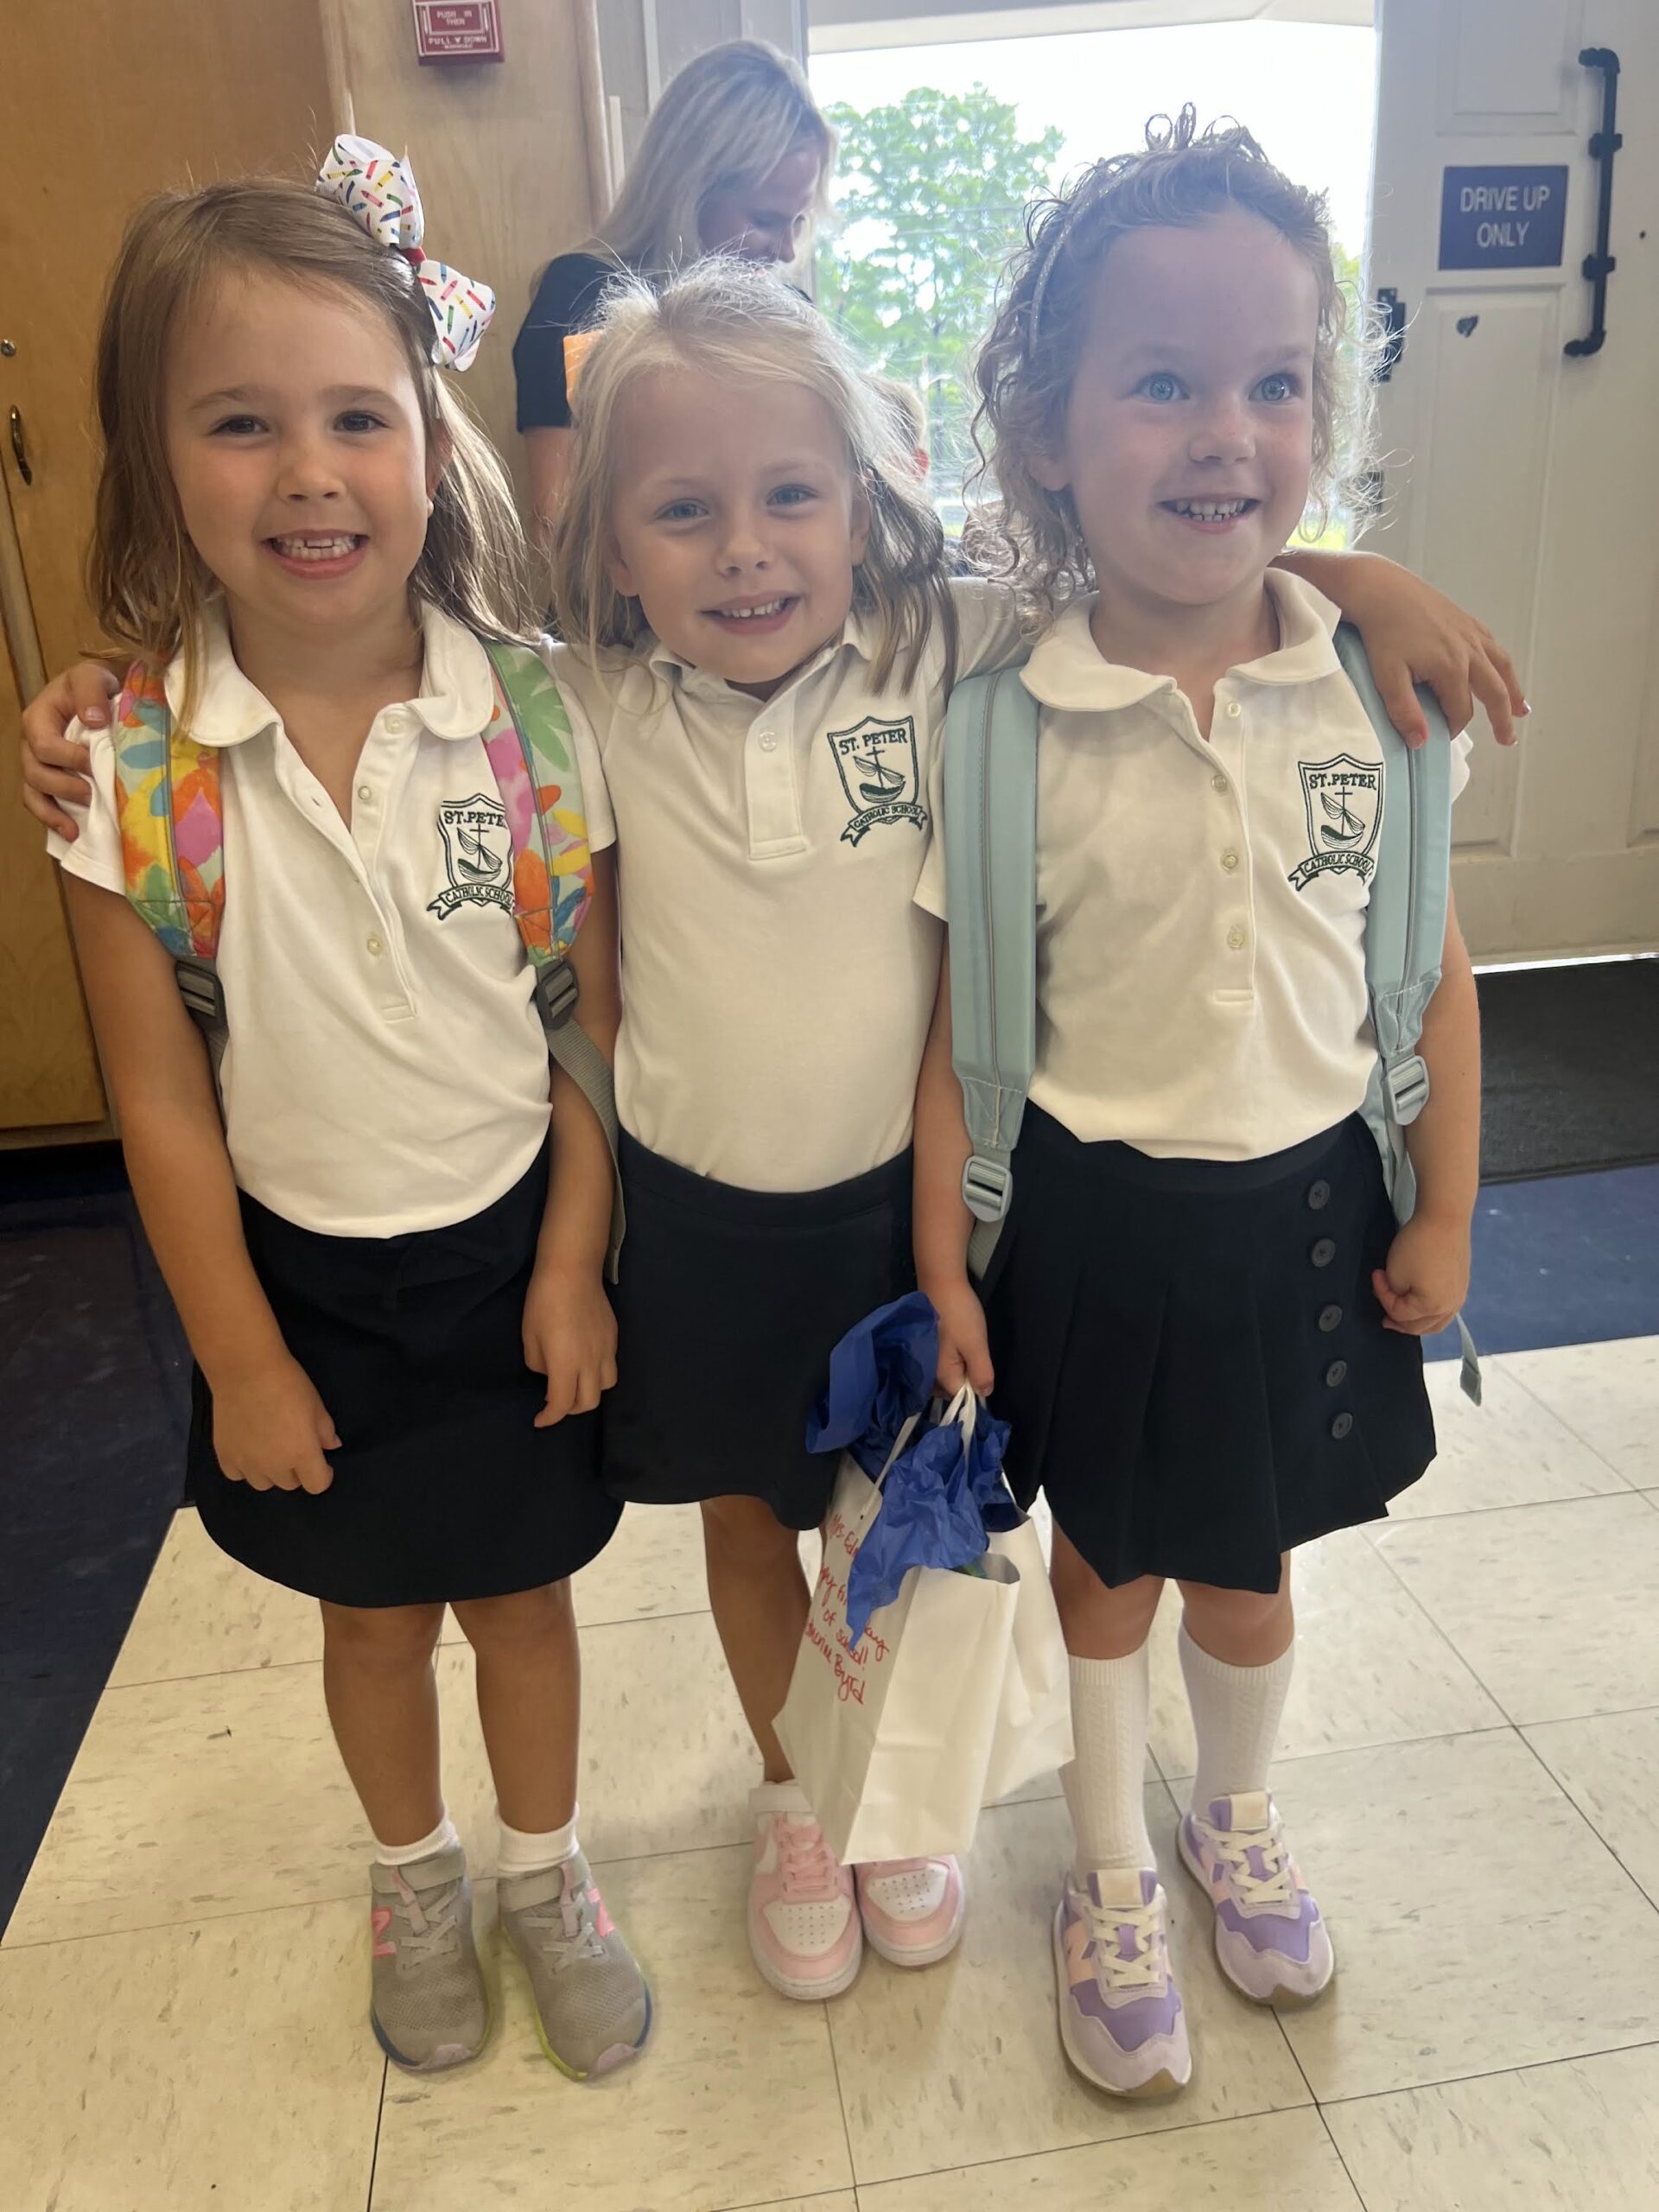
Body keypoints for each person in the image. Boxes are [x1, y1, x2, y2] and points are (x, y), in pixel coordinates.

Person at [531, 255, 1509, 2005]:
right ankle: (799, 1797)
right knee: (752, 1521)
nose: (745, 549)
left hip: (912, 1215)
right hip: (701, 1222)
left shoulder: (947, 646)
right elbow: (558, 937)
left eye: (790, 496)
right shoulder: (594, 708)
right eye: (682, 511)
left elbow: (1174, 577)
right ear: (612, 544)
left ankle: (900, 1794)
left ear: (863, 508)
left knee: (909, 1520)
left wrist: (1355, 579)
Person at [40, 145, 649, 2082]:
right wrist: (239, 1360)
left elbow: (590, 1027)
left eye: (356, 418)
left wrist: (574, 1263)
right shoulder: (126, 771)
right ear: (156, 466)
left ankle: (546, 1869)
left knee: (524, 1602)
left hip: (514, 1255)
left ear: (431, 447)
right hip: (296, 1288)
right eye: (240, 423)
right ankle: (416, 1876)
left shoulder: (539, 718)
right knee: (375, 1620)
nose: (309, 473)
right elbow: (158, 1100)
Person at [912, 112, 1483, 2099]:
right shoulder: (1006, 716)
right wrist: (946, 1266)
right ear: (1045, 430)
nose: (1225, 432)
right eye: (1160, 381)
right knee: (1108, 1563)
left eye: (1274, 382)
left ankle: (1232, 1817)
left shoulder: (1377, 696)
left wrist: (1447, 1209)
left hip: (1314, 1209)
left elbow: (1431, 975)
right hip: (1093, 1220)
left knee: (1251, 1560)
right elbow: (958, 1034)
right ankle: (1103, 1870)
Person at [514, 39, 833, 533]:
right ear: (690, 190)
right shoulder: (582, 294)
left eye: (799, 220)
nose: (788, 251)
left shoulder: (790, 316)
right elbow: (556, 520)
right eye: (766, 220)